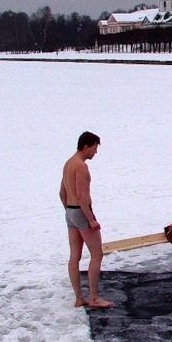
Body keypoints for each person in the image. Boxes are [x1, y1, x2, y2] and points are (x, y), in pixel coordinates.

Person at [60, 131, 113, 309]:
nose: (95, 152)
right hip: (81, 212)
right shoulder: (81, 166)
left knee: (74, 256)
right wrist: (90, 219)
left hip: (71, 212)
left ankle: (78, 297)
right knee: (97, 254)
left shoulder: (68, 164)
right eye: (94, 148)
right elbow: (82, 196)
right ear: (86, 147)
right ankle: (94, 297)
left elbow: (62, 193)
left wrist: (69, 211)